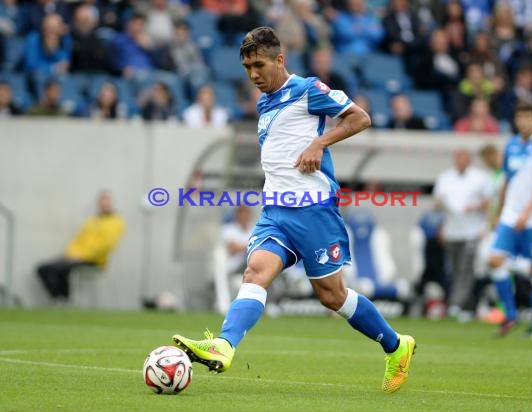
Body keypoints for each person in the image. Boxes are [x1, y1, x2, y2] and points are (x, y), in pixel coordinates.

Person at [172, 27, 416, 394]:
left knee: (332, 296)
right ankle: (224, 346)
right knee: (254, 273)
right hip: (276, 212)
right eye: (246, 67)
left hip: (315, 212)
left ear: (279, 59)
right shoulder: (264, 102)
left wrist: (319, 143)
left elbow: (360, 117)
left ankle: (397, 346)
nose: (253, 74)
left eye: (259, 65)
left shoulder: (307, 90)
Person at [489, 101, 532, 341]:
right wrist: (499, 212)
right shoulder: (511, 145)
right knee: (495, 259)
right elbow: (506, 180)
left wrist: (527, 212)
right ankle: (511, 313)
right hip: (511, 214)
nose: (525, 122)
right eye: (521, 117)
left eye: (529, 117)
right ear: (516, 120)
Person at [433, 149, 492, 320]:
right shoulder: (445, 178)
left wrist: (479, 215)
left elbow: (489, 203)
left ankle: (456, 304)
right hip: (452, 232)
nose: (461, 161)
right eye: (458, 158)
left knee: (466, 269)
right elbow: (437, 203)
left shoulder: (480, 178)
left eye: (464, 158)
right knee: (456, 269)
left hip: (472, 231)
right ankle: (466, 305)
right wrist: (443, 226)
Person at [37, 191, 125, 302]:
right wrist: (71, 253)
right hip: (75, 256)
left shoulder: (116, 222)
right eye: (102, 202)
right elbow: (77, 239)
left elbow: (107, 245)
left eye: (107, 202)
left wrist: (83, 255)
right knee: (43, 268)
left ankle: (64, 300)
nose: (104, 204)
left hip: (94, 260)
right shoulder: (92, 220)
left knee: (63, 268)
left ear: (111, 203)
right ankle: (60, 298)